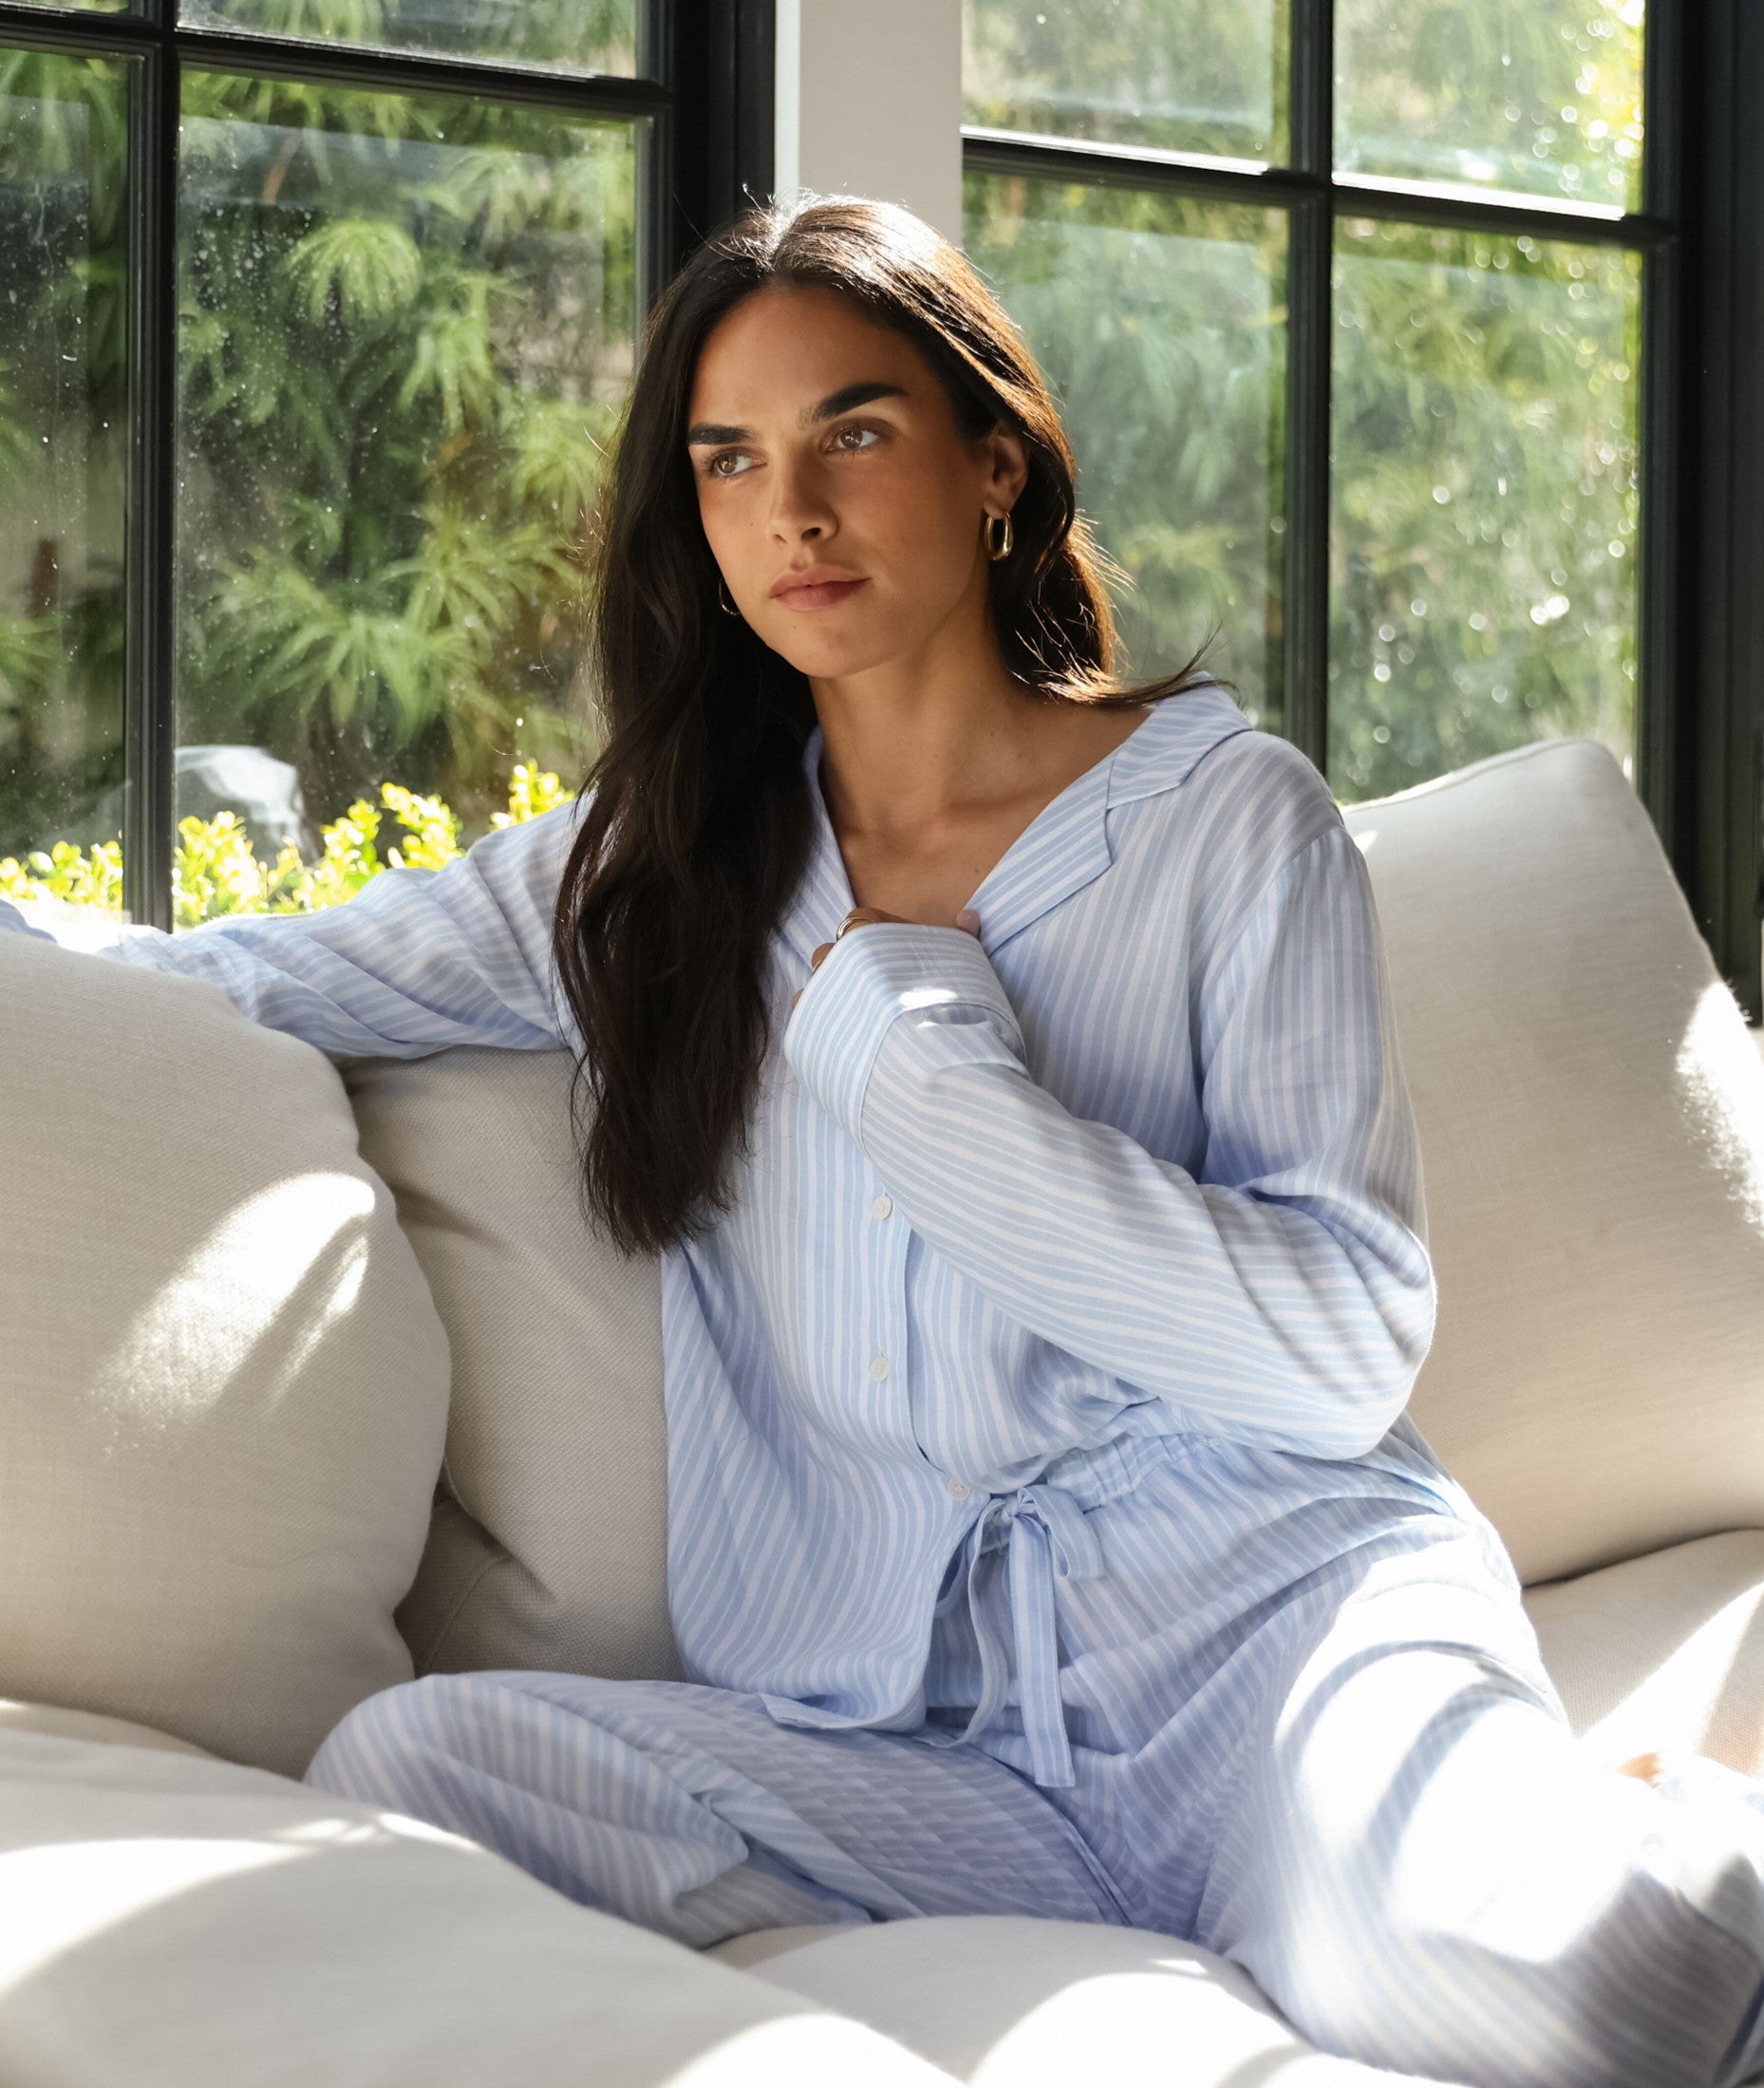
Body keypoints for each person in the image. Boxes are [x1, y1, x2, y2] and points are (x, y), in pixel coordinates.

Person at [6, 196, 1764, 2088]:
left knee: (1562, 1999)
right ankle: (1282, 1914)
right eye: (730, 462)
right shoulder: (653, 872)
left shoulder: (1220, 817)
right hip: (904, 1733)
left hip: (1267, 1634)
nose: (795, 514)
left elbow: (1334, 1353)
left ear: (991, 464)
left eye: (852, 432)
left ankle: (1624, 1848)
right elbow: (232, 976)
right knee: (420, 1761)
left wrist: (912, 1065)